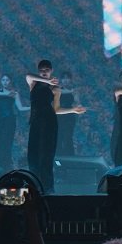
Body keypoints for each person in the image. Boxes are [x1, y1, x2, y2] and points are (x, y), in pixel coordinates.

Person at [26, 60, 86, 193]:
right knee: (33, 155)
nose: (44, 72)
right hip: (35, 121)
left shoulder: (55, 89)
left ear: (51, 70)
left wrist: (73, 110)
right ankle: (34, 186)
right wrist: (47, 81)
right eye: (41, 70)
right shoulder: (33, 82)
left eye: (47, 70)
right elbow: (28, 75)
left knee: (46, 155)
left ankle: (47, 188)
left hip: (49, 121)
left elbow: (56, 109)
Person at [0, 73, 26, 172]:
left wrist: (32, 107)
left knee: (6, 143)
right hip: (0, 120)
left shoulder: (15, 94)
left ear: (10, 81)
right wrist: (8, 94)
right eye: (3, 80)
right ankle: (3, 165)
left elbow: (20, 108)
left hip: (10, 120)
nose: (5, 82)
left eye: (7, 80)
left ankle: (8, 165)